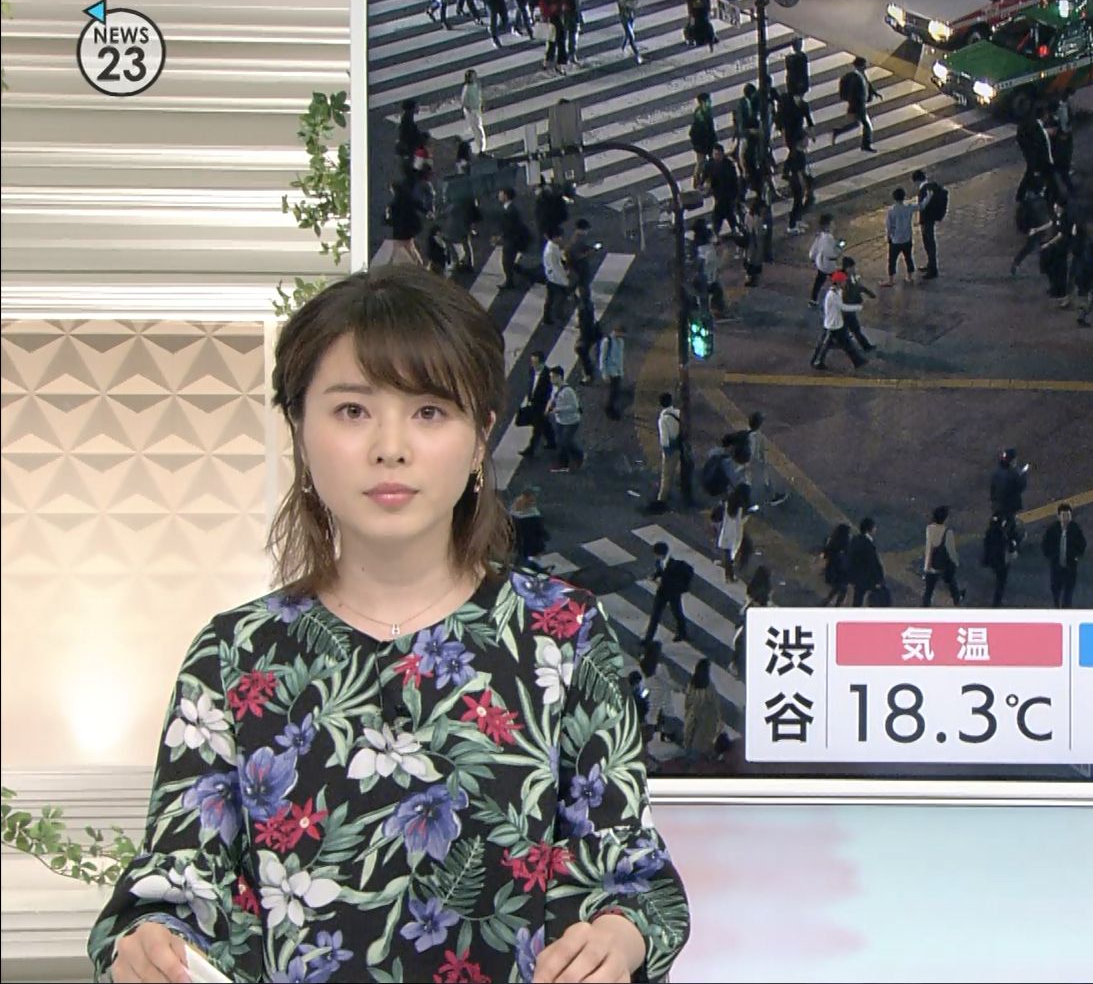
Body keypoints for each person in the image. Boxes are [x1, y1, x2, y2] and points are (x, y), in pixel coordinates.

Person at [88, 266, 687, 983]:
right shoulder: (235, 655)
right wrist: (149, 940)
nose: (391, 446)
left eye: (429, 411)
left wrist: (621, 934)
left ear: (480, 438)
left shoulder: (563, 632)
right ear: (299, 430)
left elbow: (630, 872)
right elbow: (180, 883)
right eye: (352, 410)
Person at [1041, 503, 1086, 608]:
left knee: (1068, 594)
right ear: (1058, 516)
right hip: (1056, 567)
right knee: (1056, 592)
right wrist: (1051, 556)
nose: (1066, 518)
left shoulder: (1075, 529)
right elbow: (1045, 544)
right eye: (1064, 515)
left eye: (1068, 515)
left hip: (1070, 567)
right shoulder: (1053, 529)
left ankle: (1066, 610)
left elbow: (1082, 544)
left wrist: (1076, 556)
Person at [832, 56, 881, 152]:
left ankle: (838, 131)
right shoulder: (855, 77)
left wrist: (874, 93)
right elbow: (855, 92)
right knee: (867, 126)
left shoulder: (861, 74)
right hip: (858, 105)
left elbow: (867, 84)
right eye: (864, 65)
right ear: (860, 65)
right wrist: (858, 102)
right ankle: (866, 145)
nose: (866, 66)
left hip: (858, 104)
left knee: (855, 124)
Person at [921, 505, 966, 605]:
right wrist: (956, 562)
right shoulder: (948, 532)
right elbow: (951, 551)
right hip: (943, 565)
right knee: (951, 581)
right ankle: (957, 598)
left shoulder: (929, 529)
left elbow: (929, 547)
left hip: (931, 565)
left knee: (928, 591)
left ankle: (925, 606)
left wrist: (927, 566)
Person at [681, 659, 724, 764]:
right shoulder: (709, 687)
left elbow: (687, 701)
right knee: (702, 740)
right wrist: (719, 718)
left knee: (690, 737)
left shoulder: (691, 684)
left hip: (692, 715)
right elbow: (716, 704)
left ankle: (690, 758)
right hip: (706, 718)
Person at [913, 169, 946, 279]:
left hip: (926, 220)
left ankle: (932, 269)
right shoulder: (932, 186)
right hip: (931, 219)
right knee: (930, 243)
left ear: (917, 180)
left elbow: (922, 207)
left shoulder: (923, 190)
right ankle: (930, 265)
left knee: (929, 244)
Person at [848, 516, 886, 606]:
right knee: (875, 597)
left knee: (858, 598)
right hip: (867, 577)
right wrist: (879, 578)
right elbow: (873, 563)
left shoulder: (855, 540)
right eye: (874, 527)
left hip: (857, 575)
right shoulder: (868, 544)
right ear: (870, 529)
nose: (875, 529)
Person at [820, 523, 853, 605]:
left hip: (833, 569)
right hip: (841, 569)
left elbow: (825, 554)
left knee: (837, 588)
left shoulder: (832, 541)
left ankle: (826, 603)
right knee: (842, 589)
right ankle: (834, 605)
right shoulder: (846, 543)